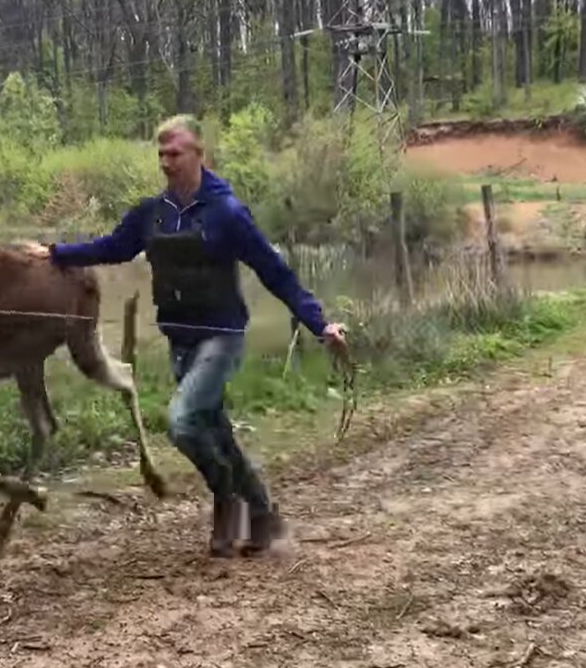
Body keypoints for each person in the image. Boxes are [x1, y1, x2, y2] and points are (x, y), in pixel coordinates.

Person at [22, 114, 347, 557]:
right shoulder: (151, 214)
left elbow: (276, 273)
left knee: (182, 421)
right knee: (216, 432)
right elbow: (113, 247)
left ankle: (225, 496)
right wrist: (57, 253)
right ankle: (265, 517)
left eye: (174, 153)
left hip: (222, 337)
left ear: (199, 154)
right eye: (161, 154)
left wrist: (319, 323)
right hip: (181, 339)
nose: (166, 163)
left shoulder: (228, 213)